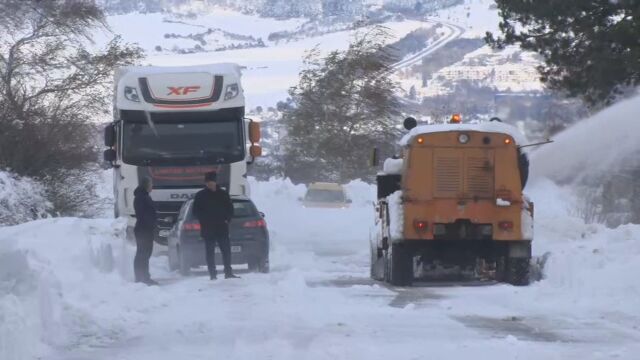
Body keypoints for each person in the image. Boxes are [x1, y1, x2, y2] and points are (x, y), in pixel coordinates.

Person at [192, 172, 239, 280]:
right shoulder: (200, 195)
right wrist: (203, 220)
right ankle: (212, 274)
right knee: (210, 252)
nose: (210, 184)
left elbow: (230, 208)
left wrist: (227, 219)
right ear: (205, 183)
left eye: (212, 181)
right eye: (208, 182)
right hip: (208, 228)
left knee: (226, 251)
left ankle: (228, 272)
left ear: (215, 182)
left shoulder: (223, 194)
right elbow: (195, 211)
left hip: (222, 227)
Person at [133, 177, 158, 285]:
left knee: (145, 253)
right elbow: (143, 214)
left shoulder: (144, 196)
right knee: (143, 253)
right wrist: (151, 223)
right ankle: (142, 277)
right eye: (151, 184)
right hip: (143, 230)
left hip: (145, 229)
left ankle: (143, 276)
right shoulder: (141, 197)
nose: (152, 186)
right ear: (146, 185)